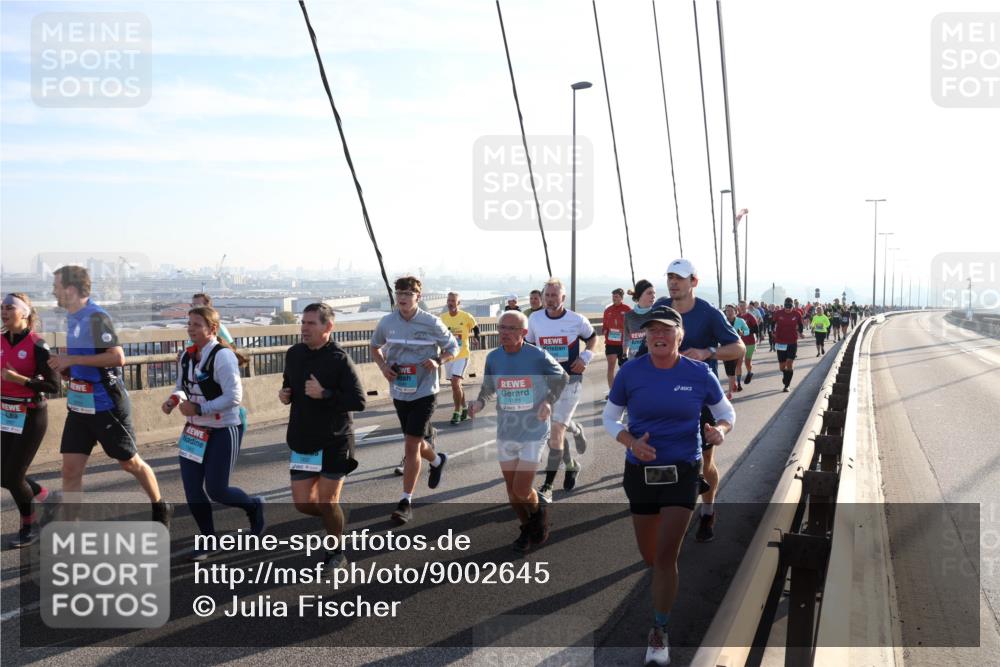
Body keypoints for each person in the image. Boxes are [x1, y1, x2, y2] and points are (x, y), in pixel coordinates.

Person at [603, 305, 735, 666]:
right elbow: (610, 417)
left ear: (680, 336)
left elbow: (726, 413)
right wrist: (631, 442)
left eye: (666, 331)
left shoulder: (699, 373)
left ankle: (659, 630)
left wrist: (718, 431)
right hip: (641, 473)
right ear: (645, 336)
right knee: (650, 556)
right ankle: (662, 596)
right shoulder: (631, 372)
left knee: (665, 557)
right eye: (652, 331)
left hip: (682, 469)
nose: (658, 336)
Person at [49, 266, 172, 526]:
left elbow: (117, 357)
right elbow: (89, 360)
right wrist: (70, 370)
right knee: (70, 470)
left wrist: (71, 358)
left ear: (70, 289)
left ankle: (160, 506)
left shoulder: (96, 317)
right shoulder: (72, 318)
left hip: (106, 404)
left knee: (129, 463)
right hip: (80, 405)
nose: (53, 291)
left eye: (56, 286)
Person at [637, 259, 743, 542]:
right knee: (660, 457)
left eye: (680, 278)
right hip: (661, 398)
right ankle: (666, 512)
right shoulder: (661, 306)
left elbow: (737, 348)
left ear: (693, 282)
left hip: (699, 400)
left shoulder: (708, 313)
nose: (673, 282)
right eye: (670, 277)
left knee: (704, 463)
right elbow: (642, 348)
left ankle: (707, 511)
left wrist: (707, 351)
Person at [163, 306, 263, 560]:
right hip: (194, 432)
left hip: (222, 429)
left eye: (197, 324)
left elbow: (234, 397)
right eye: (189, 324)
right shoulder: (187, 356)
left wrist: (200, 407)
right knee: (193, 491)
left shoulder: (222, 357)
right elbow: (181, 387)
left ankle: (254, 506)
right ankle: (208, 540)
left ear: (212, 329)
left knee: (217, 490)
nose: (191, 328)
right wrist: (174, 400)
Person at [468, 310, 567, 552]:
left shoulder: (537, 356)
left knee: (522, 489)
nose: (504, 333)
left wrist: (548, 401)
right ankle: (527, 529)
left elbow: (561, 378)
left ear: (523, 333)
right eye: (502, 327)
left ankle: (539, 515)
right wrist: (479, 403)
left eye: (511, 329)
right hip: (507, 430)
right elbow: (488, 388)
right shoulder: (493, 358)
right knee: (512, 493)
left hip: (533, 430)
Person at [279, 303, 366, 571]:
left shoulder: (339, 359)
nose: (304, 328)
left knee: (327, 500)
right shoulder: (293, 354)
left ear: (328, 327)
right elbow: (288, 384)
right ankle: (334, 519)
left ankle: (336, 550)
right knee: (304, 504)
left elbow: (359, 401)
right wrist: (285, 394)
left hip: (335, 440)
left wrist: (325, 393)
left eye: (311, 323)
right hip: (304, 439)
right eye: (303, 323)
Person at [371, 276, 458, 524]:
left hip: (425, 391)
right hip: (400, 391)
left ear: (418, 297)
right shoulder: (387, 322)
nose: (403, 298)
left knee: (410, 445)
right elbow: (374, 347)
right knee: (416, 441)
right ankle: (438, 460)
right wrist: (383, 367)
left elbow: (453, 348)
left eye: (408, 294)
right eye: (399, 293)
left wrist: (438, 361)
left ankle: (405, 501)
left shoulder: (431, 322)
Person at [527, 278, 596, 502]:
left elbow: (593, 337)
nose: (549, 300)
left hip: (570, 381)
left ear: (563, 298)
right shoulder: (535, 319)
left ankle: (547, 487)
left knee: (555, 431)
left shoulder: (576, 320)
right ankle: (572, 460)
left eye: (554, 296)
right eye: (547, 295)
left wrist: (585, 356)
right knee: (553, 434)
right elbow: (528, 346)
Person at [1, 293, 60, 547]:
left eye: (9, 308)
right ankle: (48, 497)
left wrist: (21, 380)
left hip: (31, 414)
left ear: (24, 313)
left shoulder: (38, 345)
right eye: (2, 308)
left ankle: (30, 525)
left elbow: (54, 385)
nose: (4, 312)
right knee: (3, 475)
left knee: (14, 476)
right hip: (6, 414)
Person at [190, 293, 248, 435]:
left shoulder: (217, 327)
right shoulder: (193, 328)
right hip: (199, 376)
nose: (194, 308)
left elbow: (231, 348)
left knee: (225, 398)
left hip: (214, 371)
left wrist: (216, 357)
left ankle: (237, 421)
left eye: (198, 305)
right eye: (193, 305)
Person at [440, 292, 481, 425]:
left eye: (453, 301)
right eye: (449, 300)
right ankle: (464, 407)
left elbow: (475, 328)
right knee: (456, 386)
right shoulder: (442, 318)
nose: (451, 303)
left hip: (462, 354)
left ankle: (456, 411)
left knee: (455, 382)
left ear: (458, 303)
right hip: (448, 356)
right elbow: (437, 334)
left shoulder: (465, 316)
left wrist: (476, 337)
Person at [602, 288, 632, 392]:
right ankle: (612, 392)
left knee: (624, 368)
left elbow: (631, 325)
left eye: (617, 297)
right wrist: (605, 330)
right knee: (611, 366)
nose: (614, 298)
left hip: (623, 344)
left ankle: (625, 390)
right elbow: (605, 325)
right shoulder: (608, 310)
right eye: (613, 297)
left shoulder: (627, 309)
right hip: (611, 343)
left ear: (621, 298)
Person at [772, 297, 805, 392]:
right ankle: (785, 375)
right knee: (782, 367)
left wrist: (801, 332)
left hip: (792, 341)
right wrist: (772, 332)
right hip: (780, 341)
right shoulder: (778, 313)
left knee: (789, 363)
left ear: (792, 306)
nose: (787, 309)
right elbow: (772, 323)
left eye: (789, 307)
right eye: (786, 306)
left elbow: (801, 324)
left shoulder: (797, 314)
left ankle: (787, 385)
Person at [623, 279, 656, 361]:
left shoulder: (656, 314)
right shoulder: (629, 315)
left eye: (654, 293)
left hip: (651, 361)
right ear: (640, 295)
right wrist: (624, 355)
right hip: (633, 361)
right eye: (649, 293)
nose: (653, 296)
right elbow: (626, 337)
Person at [723, 305, 750, 397]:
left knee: (738, 365)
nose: (729, 312)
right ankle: (732, 381)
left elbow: (747, 331)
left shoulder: (740, 321)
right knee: (728, 369)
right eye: (727, 311)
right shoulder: (722, 321)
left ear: (735, 311)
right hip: (726, 347)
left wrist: (743, 333)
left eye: (731, 311)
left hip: (739, 346)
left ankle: (738, 384)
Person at [737, 301, 759, 385]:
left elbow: (756, 329)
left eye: (743, 306)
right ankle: (738, 383)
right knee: (738, 362)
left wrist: (745, 332)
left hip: (750, 342)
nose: (742, 307)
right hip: (739, 343)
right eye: (740, 306)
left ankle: (749, 372)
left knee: (747, 362)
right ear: (738, 307)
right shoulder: (737, 317)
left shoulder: (750, 316)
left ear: (746, 307)